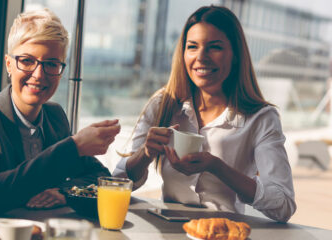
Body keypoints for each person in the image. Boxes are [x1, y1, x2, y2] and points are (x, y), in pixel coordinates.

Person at [113, 6, 296, 222]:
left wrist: (216, 167)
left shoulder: (261, 118)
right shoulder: (163, 104)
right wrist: (144, 154)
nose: (201, 57)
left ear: (235, 55)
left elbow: (283, 205)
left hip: (225, 234)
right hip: (168, 232)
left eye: (214, 47)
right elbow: (117, 183)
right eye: (192, 47)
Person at [0, 8, 120, 215]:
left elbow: (100, 177)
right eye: (27, 61)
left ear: (61, 70)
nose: (38, 74)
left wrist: (64, 192)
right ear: (9, 64)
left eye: (51, 64)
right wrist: (73, 146)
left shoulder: (55, 117)